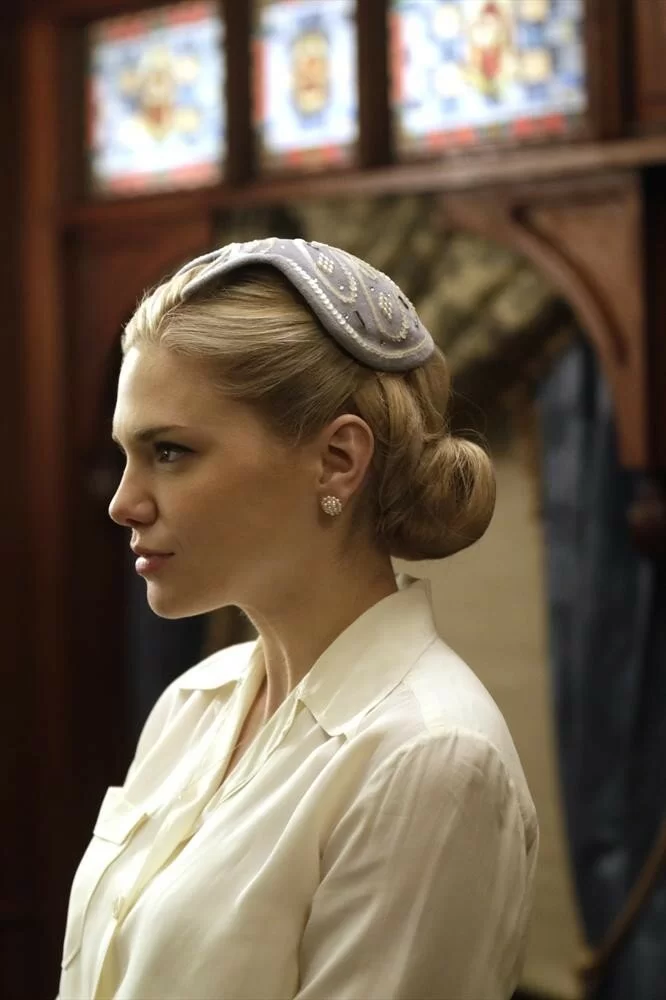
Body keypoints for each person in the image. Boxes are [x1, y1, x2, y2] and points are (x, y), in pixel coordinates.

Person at [58, 238, 538, 1000]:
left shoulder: (432, 760)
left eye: (170, 451)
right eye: (125, 454)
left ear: (338, 459)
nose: (123, 503)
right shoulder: (193, 704)